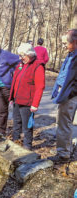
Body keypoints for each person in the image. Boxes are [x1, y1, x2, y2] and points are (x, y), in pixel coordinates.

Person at [9, 43, 45, 150]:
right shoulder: (21, 64)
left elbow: (40, 87)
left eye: (22, 55)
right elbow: (15, 80)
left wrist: (35, 104)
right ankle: (15, 142)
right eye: (19, 56)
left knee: (27, 127)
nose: (20, 58)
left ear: (29, 54)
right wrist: (11, 97)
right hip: (16, 100)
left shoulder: (38, 66)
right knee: (16, 124)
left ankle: (27, 146)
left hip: (27, 103)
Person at [48, 29, 77, 163]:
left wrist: (69, 93)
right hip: (64, 94)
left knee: (64, 123)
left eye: (66, 43)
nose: (64, 45)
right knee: (63, 123)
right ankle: (67, 149)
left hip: (69, 96)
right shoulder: (71, 54)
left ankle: (64, 154)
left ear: (75, 42)